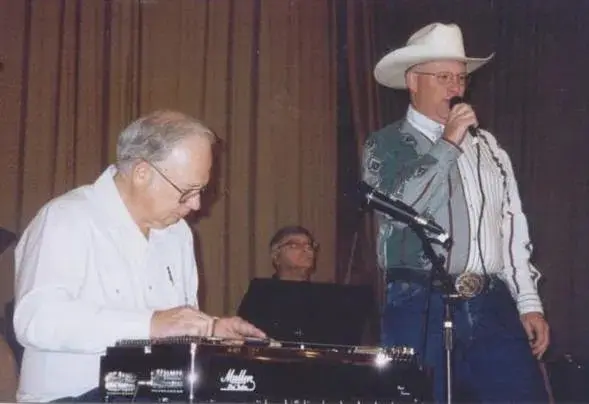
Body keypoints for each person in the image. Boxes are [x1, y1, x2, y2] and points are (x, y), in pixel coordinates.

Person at [13, 110, 266, 402]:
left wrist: (210, 331)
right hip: (71, 396)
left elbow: (172, 329)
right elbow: (36, 319)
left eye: (201, 190)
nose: (196, 204)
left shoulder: (178, 234)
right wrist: (150, 325)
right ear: (142, 173)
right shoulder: (66, 217)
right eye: (187, 191)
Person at [362, 23, 550, 402]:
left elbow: (511, 225)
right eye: (444, 77)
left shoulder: (490, 149)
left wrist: (528, 302)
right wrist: (448, 142)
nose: (456, 88)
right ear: (414, 81)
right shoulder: (386, 144)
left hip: (491, 304)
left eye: (461, 78)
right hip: (420, 303)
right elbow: (402, 208)